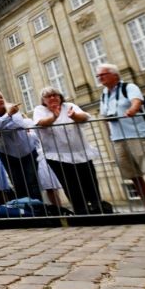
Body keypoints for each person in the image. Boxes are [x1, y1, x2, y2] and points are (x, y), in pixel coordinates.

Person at [97, 63, 145, 210]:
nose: (100, 78)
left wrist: (133, 109)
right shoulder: (104, 94)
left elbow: (137, 101)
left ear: (115, 75)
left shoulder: (129, 87)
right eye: (98, 76)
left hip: (139, 135)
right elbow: (104, 115)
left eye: (103, 75)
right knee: (133, 176)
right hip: (118, 139)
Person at [33, 87, 103, 215]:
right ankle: (81, 211)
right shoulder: (40, 110)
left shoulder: (69, 106)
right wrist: (54, 116)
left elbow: (85, 117)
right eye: (48, 96)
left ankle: (97, 207)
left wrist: (74, 116)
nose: (52, 98)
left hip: (80, 152)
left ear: (60, 97)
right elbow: (40, 123)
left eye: (55, 95)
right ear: (43, 100)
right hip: (57, 155)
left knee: (89, 181)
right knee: (71, 184)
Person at [0, 90, 43, 200]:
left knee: (32, 182)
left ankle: (39, 207)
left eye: (1, 97)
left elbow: (18, 124)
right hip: (8, 153)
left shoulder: (12, 107)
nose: (0, 100)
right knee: (18, 184)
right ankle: (26, 209)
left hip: (27, 149)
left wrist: (0, 128)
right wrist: (9, 115)